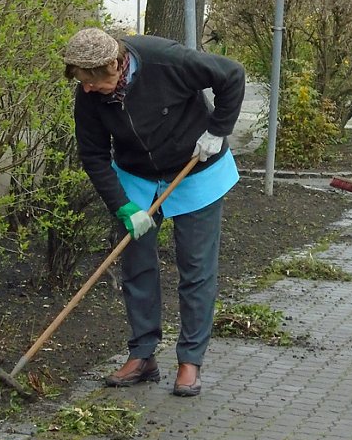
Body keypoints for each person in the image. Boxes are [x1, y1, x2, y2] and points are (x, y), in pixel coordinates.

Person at [63, 27, 245, 397]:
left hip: (196, 170)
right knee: (136, 265)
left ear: (115, 64)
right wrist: (124, 206)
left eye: (92, 81)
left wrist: (217, 130)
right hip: (137, 178)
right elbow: (94, 155)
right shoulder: (88, 95)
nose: (86, 90)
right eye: (80, 82)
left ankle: (190, 361)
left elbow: (232, 75)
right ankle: (142, 355)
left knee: (195, 267)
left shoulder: (168, 60)